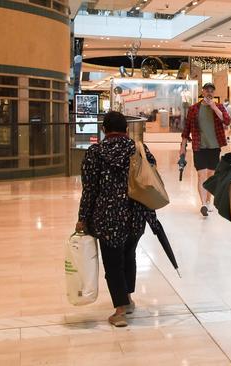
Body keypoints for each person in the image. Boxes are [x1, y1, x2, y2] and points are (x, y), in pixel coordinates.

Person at [76, 111, 157, 327]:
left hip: (108, 215)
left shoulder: (96, 152)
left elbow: (90, 189)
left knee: (113, 262)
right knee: (129, 255)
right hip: (136, 213)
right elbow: (152, 173)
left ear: (104, 130)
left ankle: (120, 310)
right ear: (127, 129)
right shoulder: (138, 149)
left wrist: (82, 217)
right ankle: (127, 299)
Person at [180, 82, 231, 217]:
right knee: (201, 174)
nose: (209, 92)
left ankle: (208, 202)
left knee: (211, 176)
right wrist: (182, 147)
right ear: (202, 92)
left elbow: (227, 121)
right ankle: (203, 204)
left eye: (211, 91)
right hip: (199, 146)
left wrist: (214, 107)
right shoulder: (194, 109)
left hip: (214, 147)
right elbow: (186, 129)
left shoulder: (219, 107)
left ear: (214, 93)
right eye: (207, 90)